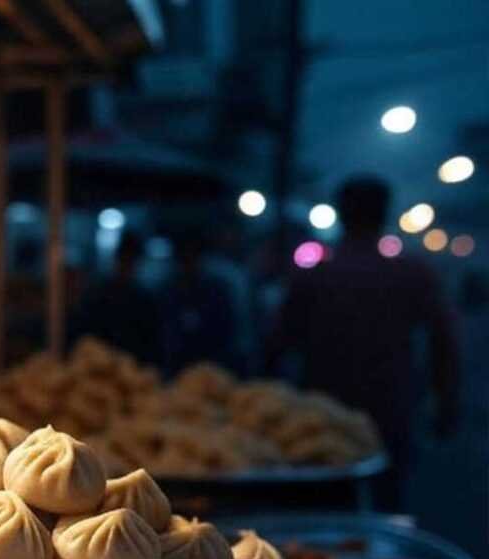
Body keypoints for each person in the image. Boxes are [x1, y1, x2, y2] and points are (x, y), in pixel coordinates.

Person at [269, 176, 461, 507]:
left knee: (322, 507)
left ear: (341, 213)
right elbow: (443, 340)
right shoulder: (412, 273)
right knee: (389, 501)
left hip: (320, 413)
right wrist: (446, 401)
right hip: (390, 405)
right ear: (385, 214)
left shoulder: (314, 276)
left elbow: (277, 344)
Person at [75, 230, 162, 362]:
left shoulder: (144, 300)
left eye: (131, 260)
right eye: (125, 259)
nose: (127, 265)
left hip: (132, 364)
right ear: (117, 258)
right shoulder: (99, 294)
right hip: (101, 362)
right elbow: (88, 335)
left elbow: (150, 341)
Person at [159, 230, 237, 374]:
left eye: (193, 256)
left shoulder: (215, 292)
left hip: (211, 367)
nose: (189, 263)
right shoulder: (168, 292)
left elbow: (226, 332)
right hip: (175, 367)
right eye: (185, 258)